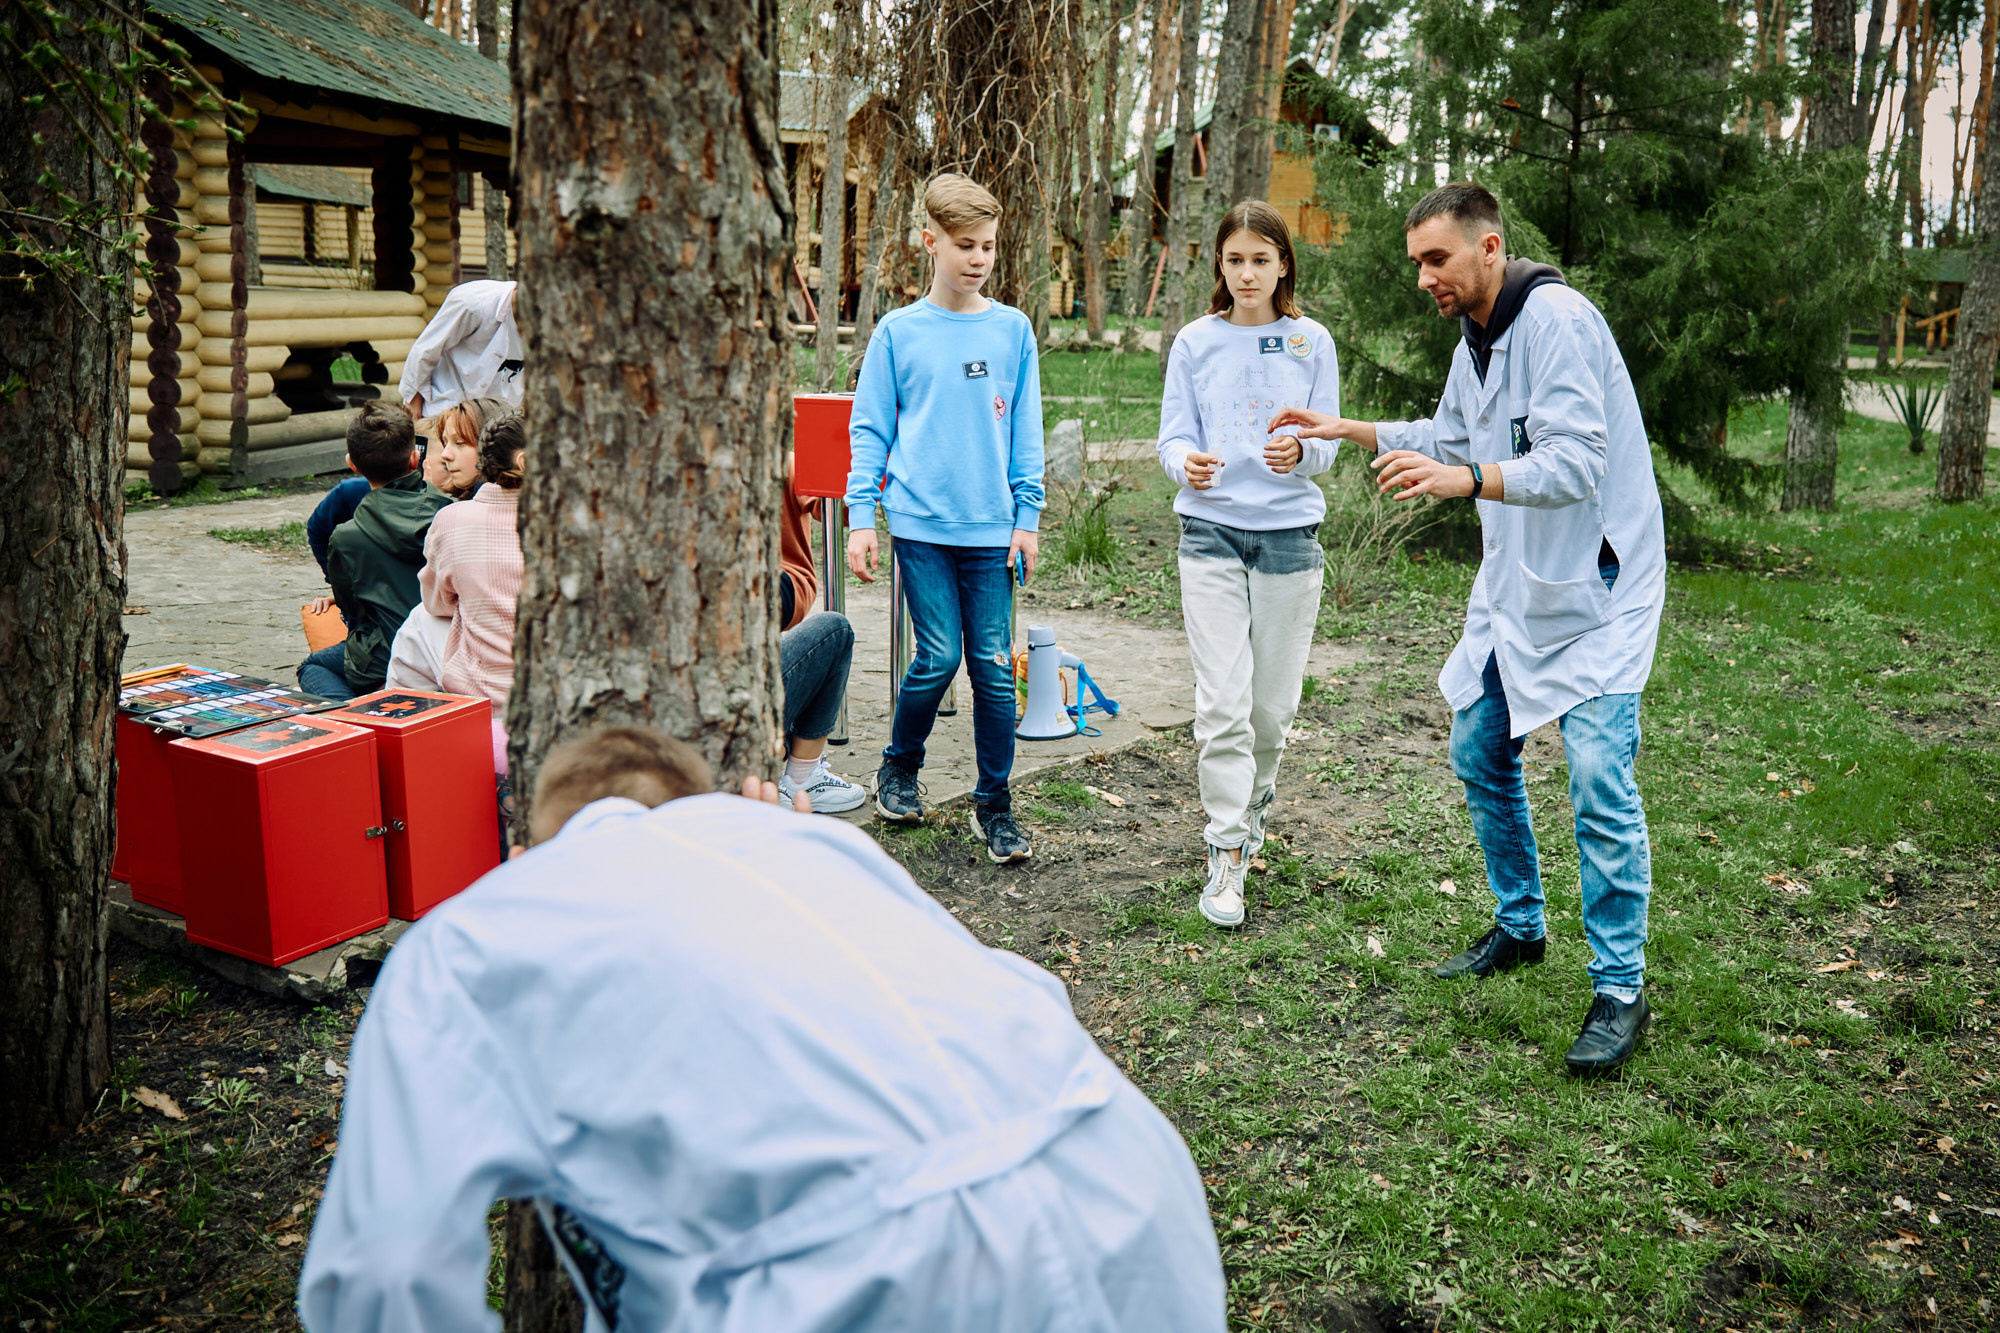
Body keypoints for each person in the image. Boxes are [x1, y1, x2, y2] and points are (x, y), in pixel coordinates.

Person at [296, 727, 1226, 1332]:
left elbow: (383, 1276)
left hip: (863, 1276)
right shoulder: (813, 842)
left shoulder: (475, 936)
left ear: (533, 843)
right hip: (1120, 1172)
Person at [1268, 182, 1666, 1075]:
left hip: (1600, 585)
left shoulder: (1555, 320)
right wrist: (1354, 429)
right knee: (1477, 744)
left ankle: (1620, 986)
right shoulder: (1476, 338)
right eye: (1417, 262)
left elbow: (1575, 460)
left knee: (1599, 775)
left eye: (1435, 259)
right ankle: (1522, 926)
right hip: (1521, 585)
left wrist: (1468, 482)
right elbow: (1452, 434)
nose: (1423, 278)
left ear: (1490, 248)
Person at [845, 172, 1045, 862]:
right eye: (965, 244)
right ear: (929, 242)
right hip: (921, 526)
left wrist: (1029, 515)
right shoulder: (899, 333)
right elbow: (869, 430)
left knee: (991, 666)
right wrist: (860, 517)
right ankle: (900, 766)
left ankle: (996, 805)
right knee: (938, 657)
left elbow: (1027, 430)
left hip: (994, 532)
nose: (979, 258)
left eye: (989, 245)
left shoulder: (1013, 329)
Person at [1156, 200, 1341, 930]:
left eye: (1261, 259)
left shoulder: (1310, 341)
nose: (1247, 273)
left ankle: (1252, 806)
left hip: (1290, 541)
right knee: (1222, 707)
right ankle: (1226, 848)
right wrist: (1186, 465)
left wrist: (1303, 452)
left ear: (1284, 263)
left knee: (1270, 713)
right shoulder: (1195, 342)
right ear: (1220, 268)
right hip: (1209, 536)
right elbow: (1172, 437)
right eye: (1235, 260)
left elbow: (1327, 438)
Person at [298, 403, 450, 701]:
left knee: (313, 666)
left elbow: (353, 611)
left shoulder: (345, 538)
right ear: (415, 457)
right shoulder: (449, 513)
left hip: (387, 652)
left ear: (352, 464)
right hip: (447, 643)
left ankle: (357, 721)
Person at [379, 397, 512, 691]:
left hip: (494, 683)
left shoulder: (455, 518)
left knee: (420, 621)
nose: (445, 456)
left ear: (492, 446)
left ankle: (403, 722)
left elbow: (437, 602)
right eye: (445, 444)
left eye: (460, 444)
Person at [775, 455, 867, 813]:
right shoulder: (778, 459)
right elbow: (837, 506)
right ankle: (803, 777)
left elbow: (832, 505)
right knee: (835, 631)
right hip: (779, 581)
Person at [398, 279, 522, 422]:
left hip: (499, 418)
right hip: (445, 406)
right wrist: (412, 402)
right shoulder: (472, 301)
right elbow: (426, 350)